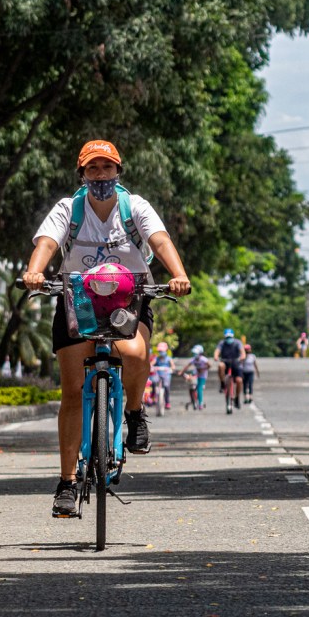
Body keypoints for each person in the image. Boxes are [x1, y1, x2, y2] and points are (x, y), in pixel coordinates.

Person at [23, 139, 191, 517]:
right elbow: (48, 242)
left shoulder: (136, 207)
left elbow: (159, 240)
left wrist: (178, 275)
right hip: (78, 300)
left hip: (128, 299)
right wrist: (36, 271)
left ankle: (134, 413)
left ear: (119, 172)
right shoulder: (70, 208)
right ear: (81, 174)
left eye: (108, 168)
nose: (101, 175)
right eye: (93, 169)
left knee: (133, 353)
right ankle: (67, 483)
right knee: (71, 391)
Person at [214, 328, 245, 404]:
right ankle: (222, 383)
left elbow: (243, 353)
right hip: (225, 361)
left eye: (230, 337)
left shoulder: (237, 343)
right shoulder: (222, 343)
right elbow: (217, 351)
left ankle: (237, 397)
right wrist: (216, 356)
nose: (229, 339)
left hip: (235, 363)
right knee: (220, 365)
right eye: (227, 337)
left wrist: (242, 357)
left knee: (239, 380)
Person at [182, 344, 211, 409]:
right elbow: (187, 366)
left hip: (202, 376)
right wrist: (181, 372)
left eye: (196, 353)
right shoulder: (193, 359)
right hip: (195, 374)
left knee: (199, 388)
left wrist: (203, 369)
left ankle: (200, 403)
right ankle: (193, 401)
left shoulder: (204, 359)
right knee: (191, 386)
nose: (195, 355)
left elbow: (209, 366)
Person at [151, 342, 174, 410]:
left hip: (166, 374)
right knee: (154, 382)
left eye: (162, 351)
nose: (161, 352)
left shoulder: (169, 359)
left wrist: (171, 369)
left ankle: (167, 402)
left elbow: (173, 366)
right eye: (160, 351)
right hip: (158, 374)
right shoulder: (157, 358)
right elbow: (151, 364)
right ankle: (153, 394)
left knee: (166, 387)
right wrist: (151, 368)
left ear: (166, 351)